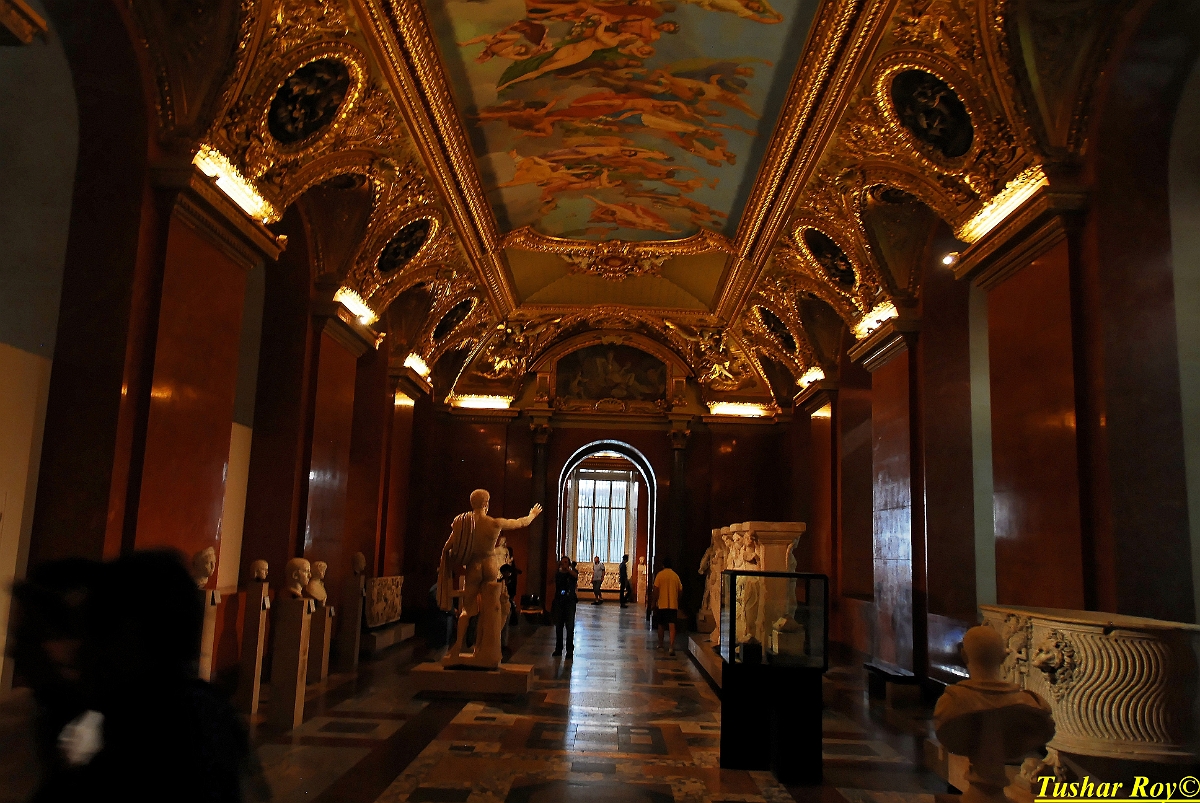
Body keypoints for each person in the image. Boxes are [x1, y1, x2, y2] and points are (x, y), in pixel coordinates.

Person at [653, 557, 683, 656]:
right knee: (672, 625)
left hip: (662, 604)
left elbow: (656, 589)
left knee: (661, 625)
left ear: (663, 565)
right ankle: (671, 646)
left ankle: (661, 645)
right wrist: (677, 600)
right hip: (673, 605)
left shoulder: (660, 575)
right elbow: (680, 590)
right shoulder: (675, 576)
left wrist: (654, 601)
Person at [551, 556, 578, 657]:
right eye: (562, 563)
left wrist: (568, 570)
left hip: (570, 602)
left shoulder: (572, 573)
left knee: (570, 626)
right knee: (559, 626)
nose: (564, 564)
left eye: (566, 562)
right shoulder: (558, 574)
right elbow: (553, 580)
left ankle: (569, 650)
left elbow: (575, 576)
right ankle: (558, 649)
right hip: (559, 602)